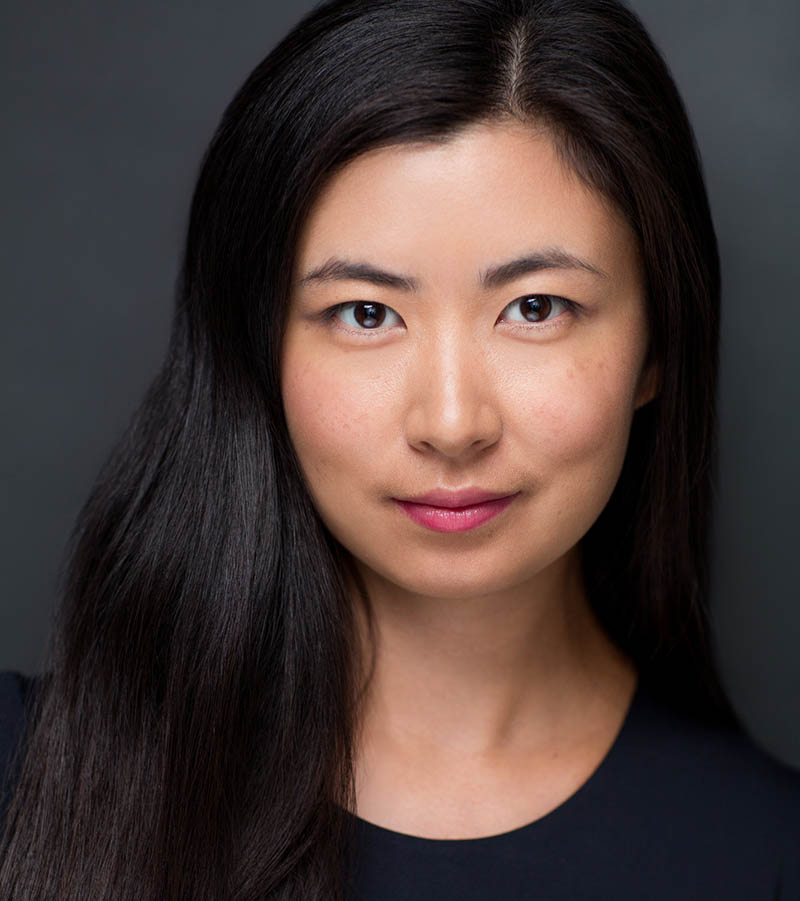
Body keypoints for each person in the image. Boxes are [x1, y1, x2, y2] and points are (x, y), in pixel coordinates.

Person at [1, 0, 798, 897]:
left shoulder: (764, 854)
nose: (452, 422)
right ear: (259, 352)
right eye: (366, 313)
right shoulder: (25, 781)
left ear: (657, 346)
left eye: (535, 307)